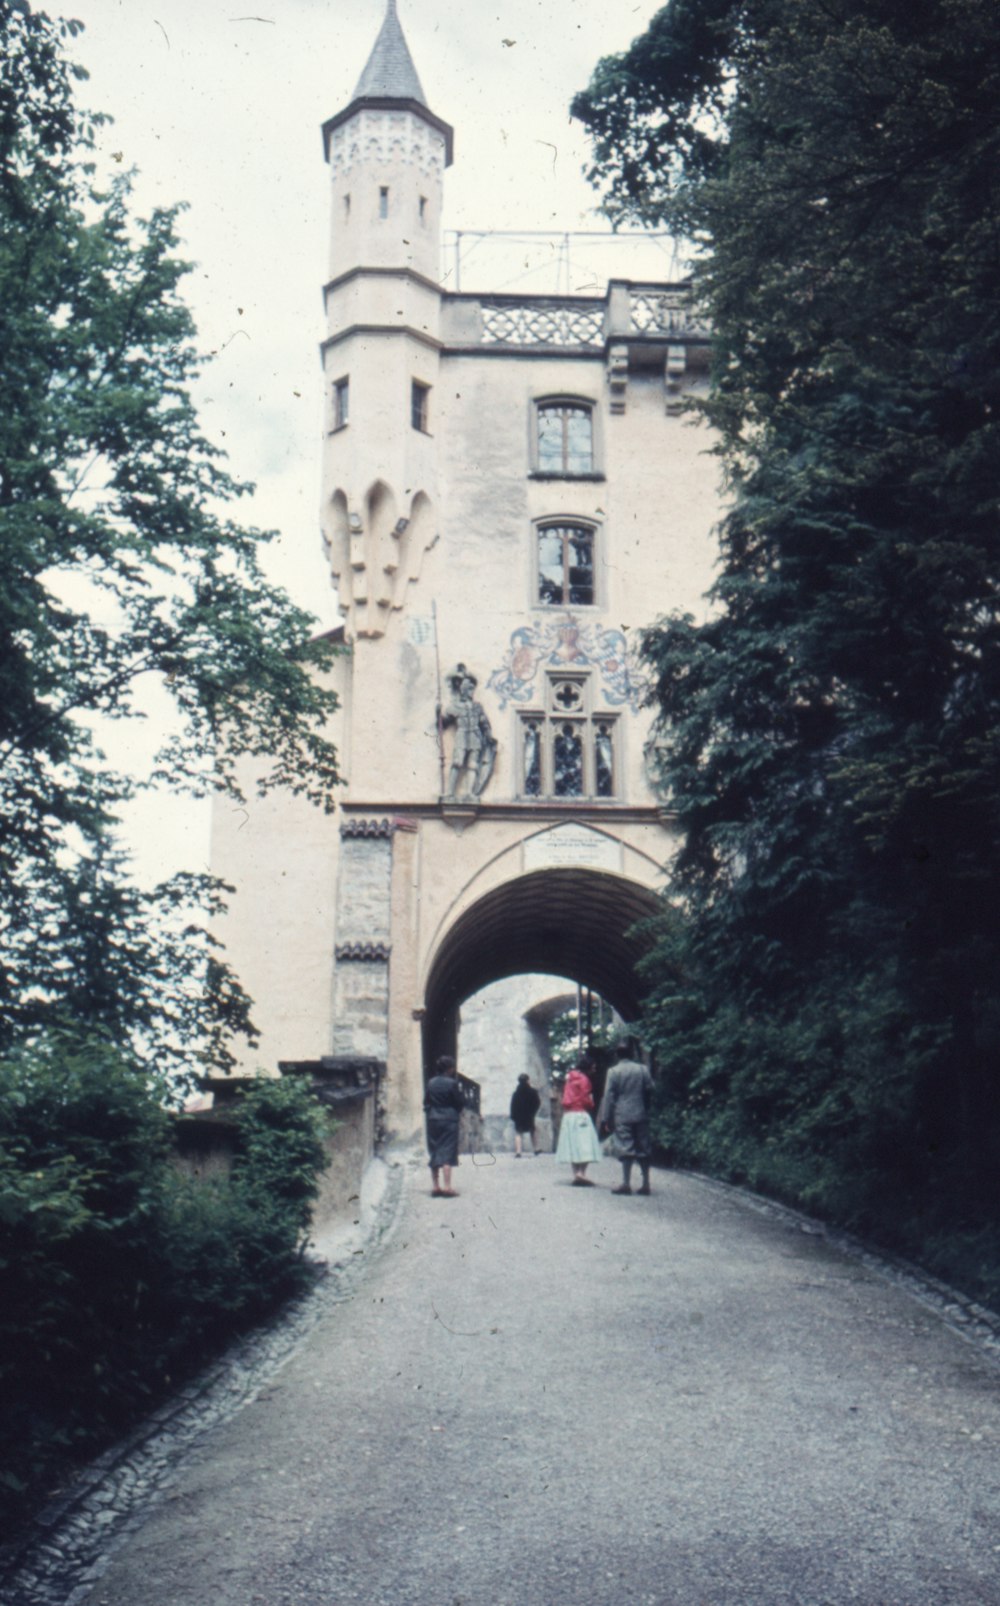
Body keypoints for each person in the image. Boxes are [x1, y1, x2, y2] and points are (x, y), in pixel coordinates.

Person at [601, 1039, 654, 1195]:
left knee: (626, 1147)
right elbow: (651, 1088)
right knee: (644, 1147)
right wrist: (646, 1106)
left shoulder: (614, 1071)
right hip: (641, 1112)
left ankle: (626, 1183)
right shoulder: (643, 1069)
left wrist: (605, 1118)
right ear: (632, 1054)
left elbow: (609, 1096)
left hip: (622, 1114)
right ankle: (646, 1184)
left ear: (617, 1055)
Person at [555, 1058, 602, 1185]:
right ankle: (582, 1173)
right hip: (581, 1113)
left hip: (569, 1115)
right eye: (593, 1067)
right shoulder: (585, 1080)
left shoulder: (569, 1078)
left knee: (573, 1144)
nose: (594, 1069)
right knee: (586, 1144)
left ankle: (576, 1174)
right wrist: (591, 1103)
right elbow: (586, 1099)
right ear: (588, 1067)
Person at [424, 1055, 465, 1197]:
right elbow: (459, 1102)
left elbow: (426, 1102)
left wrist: (431, 1112)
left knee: (435, 1151)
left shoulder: (431, 1083)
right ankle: (447, 1187)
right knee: (448, 1151)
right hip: (449, 1119)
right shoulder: (452, 1083)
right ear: (449, 1069)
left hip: (433, 1119)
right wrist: (456, 1111)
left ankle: (436, 1186)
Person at [509, 1072, 542, 1156]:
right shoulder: (533, 1092)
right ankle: (536, 1149)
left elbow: (513, 1105)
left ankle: (518, 1151)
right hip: (529, 1115)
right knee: (532, 1131)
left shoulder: (516, 1093)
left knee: (518, 1133)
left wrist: (513, 1116)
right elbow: (537, 1103)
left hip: (519, 1116)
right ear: (528, 1080)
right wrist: (533, 1112)